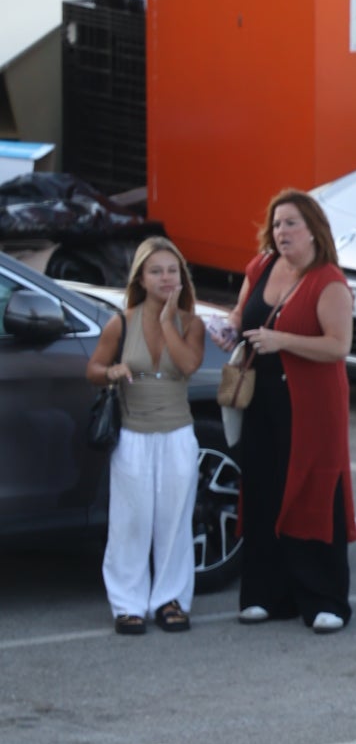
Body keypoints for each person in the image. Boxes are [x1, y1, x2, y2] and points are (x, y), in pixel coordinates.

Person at [219, 188, 356, 632]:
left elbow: (339, 345)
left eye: (292, 223)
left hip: (314, 406)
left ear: (314, 230)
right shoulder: (260, 266)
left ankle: (324, 599)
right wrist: (229, 331)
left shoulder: (328, 280)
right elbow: (242, 315)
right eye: (277, 224)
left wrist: (283, 342)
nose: (282, 232)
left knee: (313, 491)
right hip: (262, 398)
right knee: (261, 486)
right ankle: (264, 595)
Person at [87, 236, 207, 635]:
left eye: (172, 270)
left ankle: (171, 600)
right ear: (140, 277)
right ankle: (127, 603)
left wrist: (165, 320)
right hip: (133, 435)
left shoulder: (191, 323)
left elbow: (188, 365)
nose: (166, 277)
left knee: (174, 520)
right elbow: (93, 369)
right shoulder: (120, 322)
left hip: (177, 433)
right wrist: (112, 373)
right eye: (156, 271)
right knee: (131, 520)